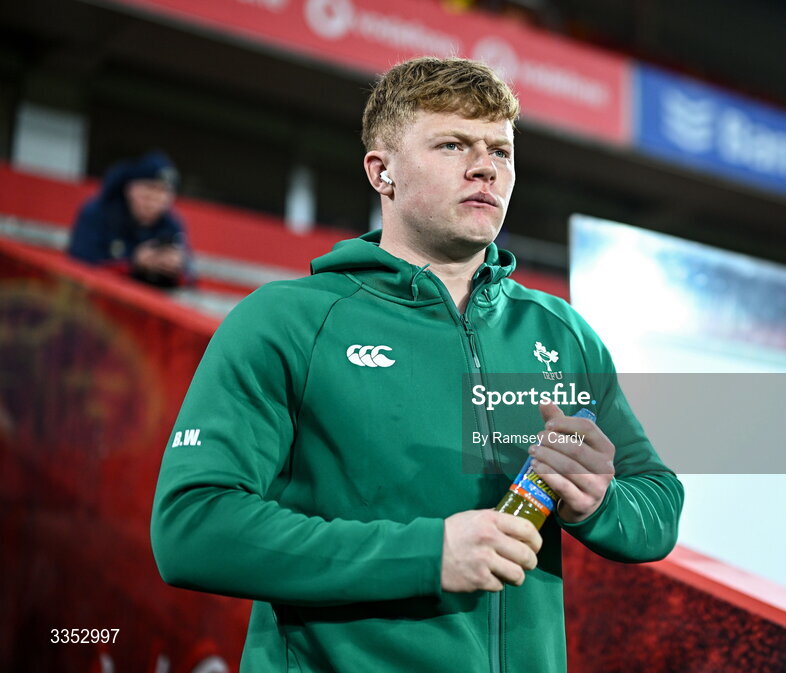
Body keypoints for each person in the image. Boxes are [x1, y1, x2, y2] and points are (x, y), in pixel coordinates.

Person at [151, 57, 683, 672]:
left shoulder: (560, 334)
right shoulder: (287, 322)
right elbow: (192, 528)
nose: (484, 166)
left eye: (501, 151)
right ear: (383, 172)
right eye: (453, 144)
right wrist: (429, 555)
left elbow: (658, 503)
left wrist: (598, 502)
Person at [68, 151, 194, 287]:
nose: (155, 197)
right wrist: (133, 263)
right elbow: (79, 269)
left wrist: (174, 269)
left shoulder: (171, 225)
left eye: (164, 191)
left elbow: (189, 281)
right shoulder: (98, 213)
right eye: (149, 187)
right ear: (129, 188)